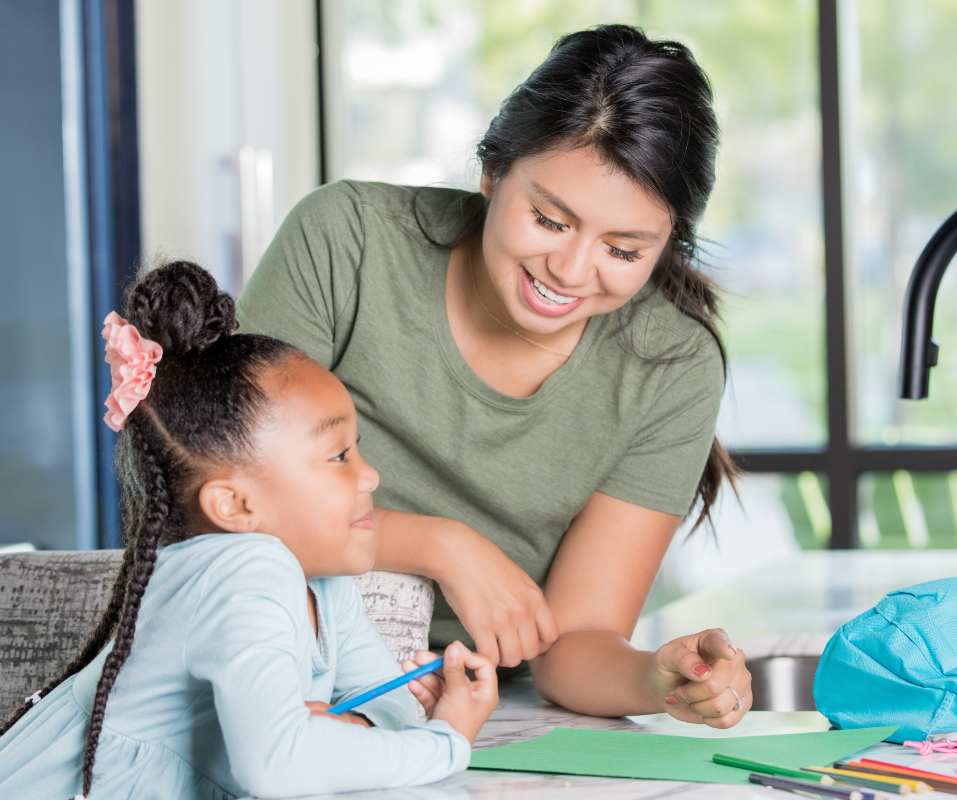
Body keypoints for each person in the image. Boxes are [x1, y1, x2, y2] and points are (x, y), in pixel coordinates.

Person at [236, 23, 752, 727]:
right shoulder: (345, 242)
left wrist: (657, 680)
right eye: (548, 218)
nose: (569, 273)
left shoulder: (672, 365)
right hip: (275, 666)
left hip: (464, 707)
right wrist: (441, 546)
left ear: (665, 247)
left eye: (624, 250)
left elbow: (570, 648)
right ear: (491, 172)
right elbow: (230, 492)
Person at [0, 262, 498, 799]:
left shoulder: (325, 587)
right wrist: (446, 742)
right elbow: (278, 767)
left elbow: (392, 709)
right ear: (234, 505)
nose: (370, 474)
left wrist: (331, 732)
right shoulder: (246, 569)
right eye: (339, 455)